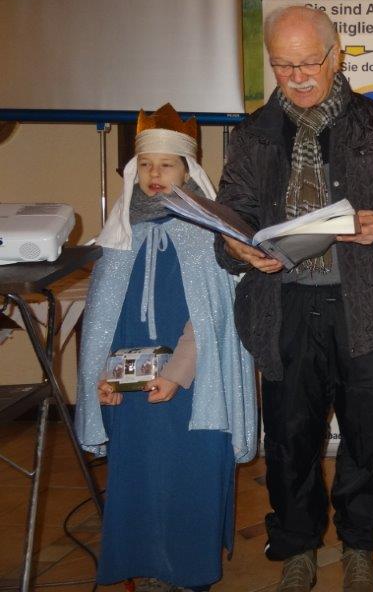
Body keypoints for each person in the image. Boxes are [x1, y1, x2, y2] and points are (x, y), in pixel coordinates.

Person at [214, 5, 373, 592]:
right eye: (283, 65)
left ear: (337, 56)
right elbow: (235, 216)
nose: (297, 76)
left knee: (369, 435)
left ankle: (361, 544)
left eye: (308, 62)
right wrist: (237, 248)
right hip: (286, 307)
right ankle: (298, 543)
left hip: (367, 307)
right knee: (290, 435)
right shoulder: (253, 135)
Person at [76, 104, 257, 591]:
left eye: (168, 164)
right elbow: (103, 323)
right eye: (147, 165)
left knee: (190, 473)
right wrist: (103, 381)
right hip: (131, 392)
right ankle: (148, 563)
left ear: (188, 170)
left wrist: (176, 373)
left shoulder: (207, 233)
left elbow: (213, 318)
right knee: (138, 477)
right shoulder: (120, 234)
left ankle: (189, 570)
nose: (156, 175)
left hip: (193, 389)